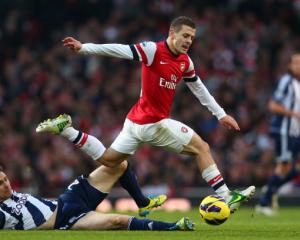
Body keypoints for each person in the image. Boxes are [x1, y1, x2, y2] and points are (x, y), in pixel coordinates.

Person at [37, 16, 255, 212]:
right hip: (153, 124)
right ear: (172, 33)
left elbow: (198, 88)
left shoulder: (185, 62)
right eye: (185, 36)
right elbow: (119, 50)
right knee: (202, 148)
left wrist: (220, 114)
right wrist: (84, 48)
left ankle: (66, 130)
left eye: (192, 38)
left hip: (134, 121)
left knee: (109, 159)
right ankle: (226, 196)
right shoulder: (153, 50)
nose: (189, 41)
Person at [0, 164, 194, 230]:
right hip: (66, 221)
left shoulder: (12, 196)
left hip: (68, 200)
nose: (6, 184)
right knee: (117, 219)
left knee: (119, 164)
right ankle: (174, 226)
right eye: (0, 184)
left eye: (6, 179)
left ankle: (143, 203)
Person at [256, 53, 300, 216]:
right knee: (284, 165)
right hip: (284, 130)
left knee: (293, 168)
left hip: (296, 132)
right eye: (296, 63)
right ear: (289, 66)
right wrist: (293, 114)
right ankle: (264, 202)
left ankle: (272, 186)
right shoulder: (286, 82)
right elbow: (273, 105)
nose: (299, 66)